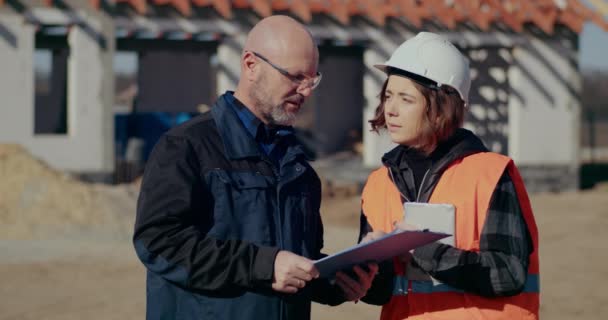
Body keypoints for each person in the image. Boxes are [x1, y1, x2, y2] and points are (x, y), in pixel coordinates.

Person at [132, 15, 378, 320]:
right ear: (251, 65)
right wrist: (262, 265)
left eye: (312, 79)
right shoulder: (186, 146)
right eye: (295, 76)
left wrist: (335, 282)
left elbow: (295, 264)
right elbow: (158, 243)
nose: (306, 91)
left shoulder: (298, 167)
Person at [357, 32, 540, 319]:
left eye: (405, 99)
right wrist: (363, 270)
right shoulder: (377, 185)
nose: (390, 109)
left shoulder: (489, 175)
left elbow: (508, 274)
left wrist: (422, 250)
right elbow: (379, 292)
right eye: (388, 96)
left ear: (443, 107)